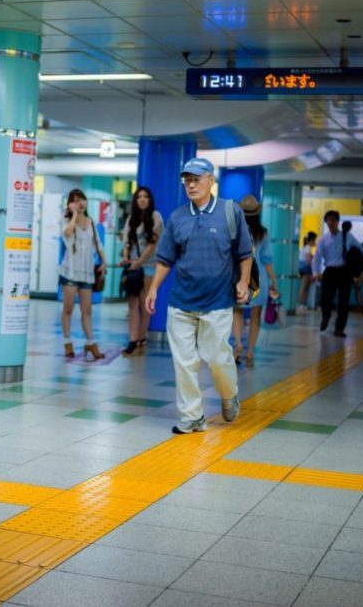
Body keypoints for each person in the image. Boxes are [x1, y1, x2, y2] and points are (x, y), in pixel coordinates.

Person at [144, 158, 253, 434]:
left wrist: (242, 281)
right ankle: (193, 416)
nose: (191, 184)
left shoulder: (230, 212)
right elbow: (165, 258)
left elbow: (244, 253)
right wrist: (154, 287)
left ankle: (229, 394)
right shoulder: (178, 217)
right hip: (181, 301)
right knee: (184, 362)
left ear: (211, 180)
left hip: (217, 302)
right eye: (187, 180)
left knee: (218, 357)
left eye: (197, 179)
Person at [232, 195, 279, 367]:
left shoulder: (235, 231)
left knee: (236, 311)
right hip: (258, 278)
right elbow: (267, 260)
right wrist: (275, 282)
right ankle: (250, 352)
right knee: (255, 315)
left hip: (238, 276)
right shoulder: (263, 233)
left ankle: (237, 344)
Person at [59, 188, 107, 360]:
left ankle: (90, 343)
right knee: (68, 309)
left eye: (82, 200)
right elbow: (68, 233)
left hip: (87, 273)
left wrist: (104, 261)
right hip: (70, 272)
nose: (80, 203)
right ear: (71, 204)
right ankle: (67, 342)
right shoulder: (66, 220)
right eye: (76, 200)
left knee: (87, 310)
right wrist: (73, 215)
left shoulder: (91, 222)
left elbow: (98, 244)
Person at [119, 186, 163, 357]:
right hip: (132, 266)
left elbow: (152, 245)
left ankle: (142, 336)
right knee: (132, 303)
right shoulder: (131, 218)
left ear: (150, 200)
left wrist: (139, 262)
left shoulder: (156, 217)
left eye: (146, 196)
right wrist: (126, 257)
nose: (142, 199)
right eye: (139, 197)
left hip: (149, 264)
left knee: (145, 302)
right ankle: (132, 339)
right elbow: (126, 243)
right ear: (135, 200)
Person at [313, 210, 363, 337]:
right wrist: (316, 272)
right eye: (328, 220)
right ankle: (325, 317)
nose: (331, 222)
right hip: (330, 271)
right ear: (326, 222)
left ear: (338, 222)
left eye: (333, 220)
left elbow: (360, 248)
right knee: (325, 299)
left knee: (344, 301)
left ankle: (339, 328)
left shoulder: (347, 236)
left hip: (344, 271)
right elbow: (317, 257)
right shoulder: (323, 240)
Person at [295, 231, 318, 312]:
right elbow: (309, 261)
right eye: (315, 240)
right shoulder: (308, 248)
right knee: (304, 287)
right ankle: (300, 303)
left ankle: (301, 304)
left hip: (302, 269)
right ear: (311, 240)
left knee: (305, 287)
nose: (315, 242)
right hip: (306, 270)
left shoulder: (304, 248)